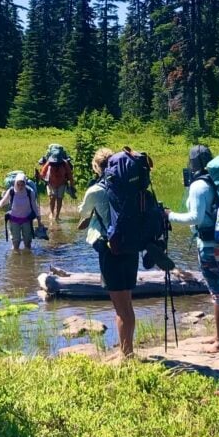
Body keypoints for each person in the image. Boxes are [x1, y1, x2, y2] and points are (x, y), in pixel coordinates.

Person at [165, 144, 219, 353]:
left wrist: (168, 215)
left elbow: (195, 218)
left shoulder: (199, 186)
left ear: (193, 162)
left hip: (210, 246)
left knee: (218, 292)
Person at [78, 147, 138, 359]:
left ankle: (126, 354)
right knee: (127, 303)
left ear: (96, 167)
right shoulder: (129, 186)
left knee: (119, 307)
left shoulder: (96, 190)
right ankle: (128, 349)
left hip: (109, 247)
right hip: (131, 244)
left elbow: (82, 212)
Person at [0, 172, 42, 251]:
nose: (20, 187)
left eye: (22, 184)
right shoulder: (11, 191)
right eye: (18, 184)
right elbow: (3, 201)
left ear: (25, 184)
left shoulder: (30, 192)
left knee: (27, 243)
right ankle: (15, 259)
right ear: (15, 183)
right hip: (14, 220)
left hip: (27, 220)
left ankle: (27, 260)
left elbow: (34, 206)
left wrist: (38, 219)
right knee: (15, 243)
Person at [40, 153, 75, 221]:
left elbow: (70, 175)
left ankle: (57, 215)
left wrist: (72, 185)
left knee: (59, 199)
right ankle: (52, 213)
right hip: (51, 183)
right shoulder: (49, 163)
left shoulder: (64, 163)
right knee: (52, 197)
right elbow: (43, 173)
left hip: (61, 183)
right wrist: (40, 176)